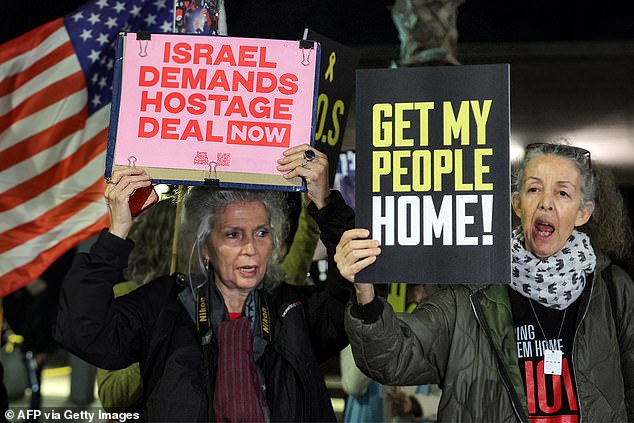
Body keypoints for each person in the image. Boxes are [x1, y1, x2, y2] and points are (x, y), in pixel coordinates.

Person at [335, 141, 634, 422]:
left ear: (583, 212)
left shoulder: (612, 289)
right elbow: (393, 357)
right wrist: (364, 289)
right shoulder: (471, 291)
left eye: (562, 193)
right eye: (534, 189)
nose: (546, 203)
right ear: (517, 205)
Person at [54, 144, 354, 422]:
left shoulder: (293, 311)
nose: (250, 248)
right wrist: (117, 231)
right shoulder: (165, 307)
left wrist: (326, 204)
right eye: (233, 235)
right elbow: (82, 331)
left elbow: (358, 293)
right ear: (205, 246)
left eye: (261, 233)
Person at [340, 284, 441, 423]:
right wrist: (376, 332)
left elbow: (445, 397)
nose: (419, 297)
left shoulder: (432, 336)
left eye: (422, 289)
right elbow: (352, 385)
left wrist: (414, 404)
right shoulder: (358, 322)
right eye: (415, 290)